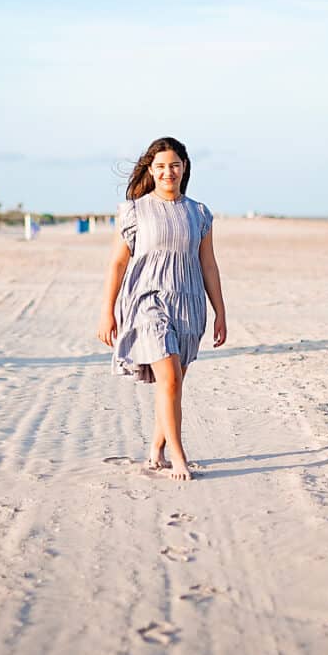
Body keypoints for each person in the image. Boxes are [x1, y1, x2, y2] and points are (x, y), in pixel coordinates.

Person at [97, 136, 227, 481]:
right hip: (146, 301)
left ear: (184, 168)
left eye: (174, 165)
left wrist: (220, 312)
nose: (168, 172)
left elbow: (209, 265)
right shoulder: (134, 211)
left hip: (188, 302)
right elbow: (117, 264)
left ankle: (156, 449)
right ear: (151, 171)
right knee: (169, 378)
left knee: (173, 383)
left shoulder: (199, 213)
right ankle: (179, 456)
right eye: (160, 166)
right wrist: (106, 311)